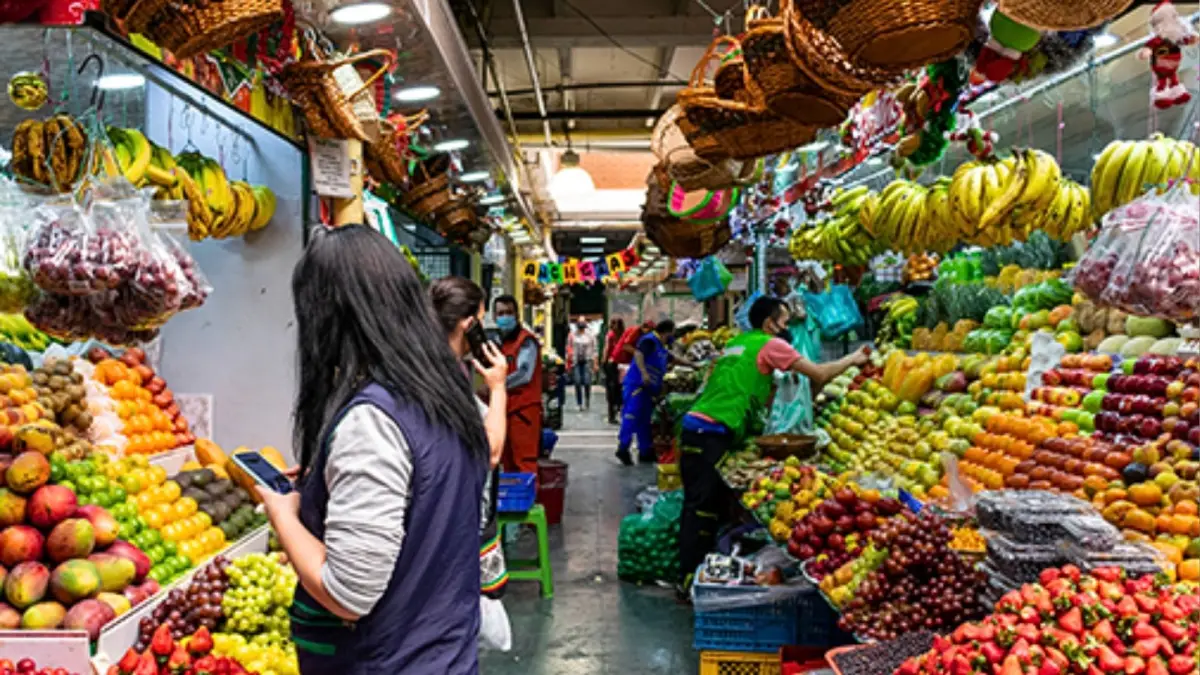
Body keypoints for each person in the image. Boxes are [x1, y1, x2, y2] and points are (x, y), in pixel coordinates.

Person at [258, 224, 489, 674]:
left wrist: (282, 513)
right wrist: (330, 482)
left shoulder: (373, 422)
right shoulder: (444, 394)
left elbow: (348, 593)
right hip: (445, 656)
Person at [677, 296, 869, 591]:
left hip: (698, 426)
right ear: (770, 323)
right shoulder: (771, 344)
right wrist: (852, 359)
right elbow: (818, 374)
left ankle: (694, 574)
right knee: (702, 507)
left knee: (697, 503)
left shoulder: (738, 343)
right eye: (784, 321)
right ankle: (690, 579)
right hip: (712, 430)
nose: (787, 327)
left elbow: (751, 390)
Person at [430, 277, 512, 646]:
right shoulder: (446, 375)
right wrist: (498, 387)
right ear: (469, 325)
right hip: (453, 522)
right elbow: (491, 452)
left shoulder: (427, 365)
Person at [494, 295, 543, 475]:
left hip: (524, 411)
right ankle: (514, 502)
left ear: (517, 315)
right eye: (500, 313)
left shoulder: (526, 341)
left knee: (525, 461)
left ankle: (529, 501)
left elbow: (524, 374)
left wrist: (497, 384)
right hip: (507, 410)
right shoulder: (502, 343)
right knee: (508, 463)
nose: (505, 317)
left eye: (509, 313)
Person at [616, 319, 675, 466]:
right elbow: (638, 354)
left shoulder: (660, 346)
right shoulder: (650, 341)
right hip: (637, 385)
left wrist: (693, 364)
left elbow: (672, 358)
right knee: (632, 415)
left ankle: (645, 451)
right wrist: (644, 373)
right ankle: (623, 448)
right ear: (666, 332)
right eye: (671, 334)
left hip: (648, 388)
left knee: (644, 420)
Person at [567, 317, 598, 411]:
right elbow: (568, 348)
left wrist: (595, 363)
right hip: (576, 361)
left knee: (587, 382)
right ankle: (579, 403)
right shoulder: (572, 335)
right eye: (579, 321)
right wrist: (568, 362)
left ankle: (587, 400)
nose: (581, 324)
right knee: (577, 382)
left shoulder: (591, 335)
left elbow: (595, 350)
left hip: (587, 361)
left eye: (583, 322)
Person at [602, 317, 626, 424]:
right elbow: (607, 349)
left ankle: (614, 413)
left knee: (613, 389)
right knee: (617, 388)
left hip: (615, 364)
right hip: (616, 364)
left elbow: (606, 349)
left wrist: (604, 361)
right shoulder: (617, 335)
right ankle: (615, 412)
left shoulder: (612, 335)